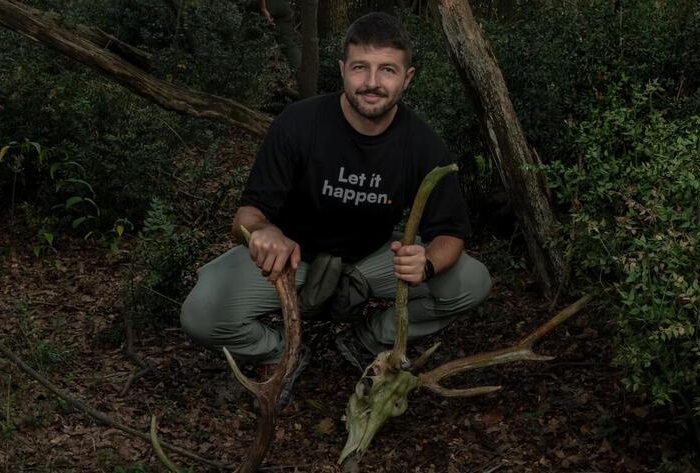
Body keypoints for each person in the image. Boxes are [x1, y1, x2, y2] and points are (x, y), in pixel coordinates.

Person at [180, 12, 491, 403]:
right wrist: (264, 232)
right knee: (201, 314)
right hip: (292, 258)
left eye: (388, 70)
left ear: (407, 78)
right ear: (343, 70)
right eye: (361, 67)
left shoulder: (423, 144)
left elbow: (450, 232)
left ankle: (367, 342)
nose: (373, 83)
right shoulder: (298, 123)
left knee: (471, 281)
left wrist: (425, 262)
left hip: (373, 257)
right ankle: (280, 354)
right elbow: (246, 216)